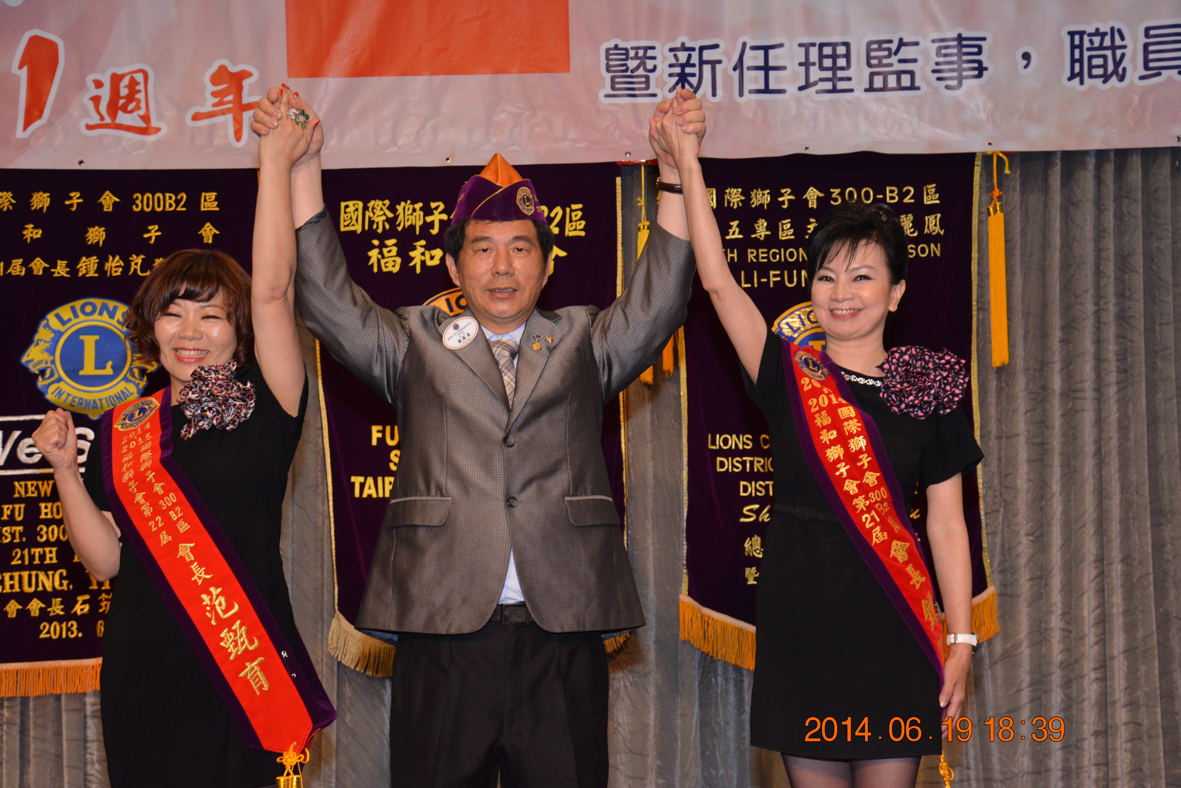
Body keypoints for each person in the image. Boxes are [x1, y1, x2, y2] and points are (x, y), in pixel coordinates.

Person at [250, 88, 704, 786]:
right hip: (442, 623)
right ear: (454, 268)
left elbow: (660, 300)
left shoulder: (582, 339)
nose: (502, 267)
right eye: (483, 249)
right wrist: (305, 168)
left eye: (520, 249)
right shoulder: (414, 341)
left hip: (563, 624)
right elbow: (328, 302)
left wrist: (673, 172)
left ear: (546, 265)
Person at [650, 113, 982, 787]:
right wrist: (688, 163)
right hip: (801, 617)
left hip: (893, 621)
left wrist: (961, 638)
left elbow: (947, 523)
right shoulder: (784, 372)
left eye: (862, 277)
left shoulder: (927, 383)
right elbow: (717, 283)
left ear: (896, 293)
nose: (841, 293)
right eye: (826, 277)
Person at [31, 111, 335, 787]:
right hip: (143, 670)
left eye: (211, 315)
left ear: (239, 330)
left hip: (243, 665)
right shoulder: (126, 426)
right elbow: (107, 562)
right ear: (152, 325)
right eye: (173, 312)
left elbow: (274, 291)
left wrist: (274, 162)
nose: (189, 331)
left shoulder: (267, 400)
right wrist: (64, 471)